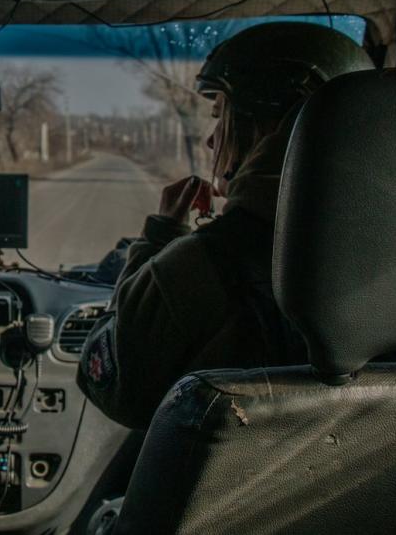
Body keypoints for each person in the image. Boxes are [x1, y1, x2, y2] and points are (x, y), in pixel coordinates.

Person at [78, 22, 374, 429]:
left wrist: (159, 237)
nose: (211, 141)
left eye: (222, 117)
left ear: (271, 126)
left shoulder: (207, 263)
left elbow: (112, 388)